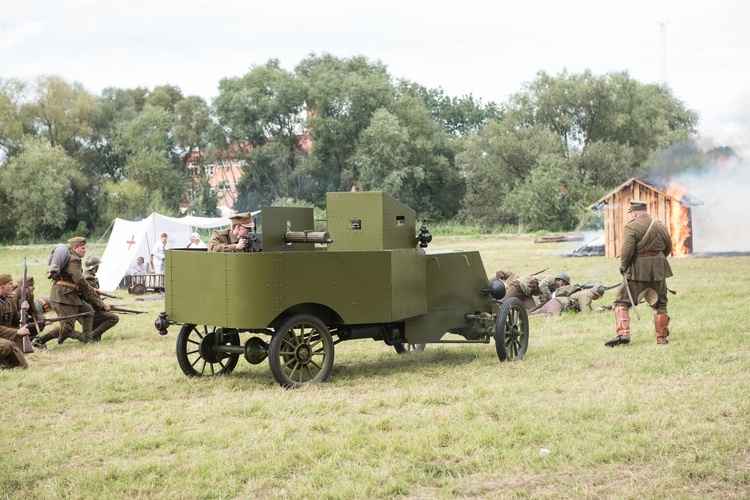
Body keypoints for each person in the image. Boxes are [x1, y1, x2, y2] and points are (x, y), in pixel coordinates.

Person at [605, 200, 673, 347]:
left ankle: (623, 334)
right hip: (659, 271)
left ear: (634, 212)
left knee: (621, 302)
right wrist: (655, 262)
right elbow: (668, 249)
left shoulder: (631, 226)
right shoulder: (661, 226)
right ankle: (661, 338)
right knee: (660, 304)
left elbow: (627, 251)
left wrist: (623, 266)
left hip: (637, 271)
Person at [49, 236, 110, 345]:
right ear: (75, 248)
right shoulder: (73, 260)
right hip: (63, 296)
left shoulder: (73, 259)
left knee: (89, 312)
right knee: (67, 327)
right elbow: (79, 279)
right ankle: (40, 340)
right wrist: (91, 290)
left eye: (84, 248)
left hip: (70, 295)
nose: (85, 250)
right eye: (82, 248)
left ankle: (87, 340)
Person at [83, 256, 120, 342]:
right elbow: (90, 296)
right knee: (114, 318)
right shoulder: (89, 278)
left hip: (92, 307)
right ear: (95, 267)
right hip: (90, 309)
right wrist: (102, 305)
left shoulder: (87, 276)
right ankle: (90, 337)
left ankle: (93, 337)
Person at [496, 270, 571, 310]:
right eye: (564, 284)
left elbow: (544, 296)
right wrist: (550, 298)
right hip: (518, 287)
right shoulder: (551, 279)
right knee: (500, 303)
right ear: (561, 281)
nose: (563, 287)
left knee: (532, 310)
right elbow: (542, 285)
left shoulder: (554, 287)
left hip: (527, 295)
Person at [0, 273, 30, 368]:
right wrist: (16, 332)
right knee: (6, 345)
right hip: (4, 337)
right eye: (10, 283)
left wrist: (23, 311)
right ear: (2, 287)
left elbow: (15, 322)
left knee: (22, 366)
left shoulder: (9, 300)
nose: (13, 286)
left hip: (5, 335)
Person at [530, 283, 606, 317]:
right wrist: (596, 310)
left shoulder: (585, 293)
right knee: (551, 316)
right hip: (559, 303)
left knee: (536, 312)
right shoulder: (587, 296)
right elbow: (586, 313)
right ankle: (528, 319)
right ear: (598, 296)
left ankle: (527, 317)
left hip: (556, 301)